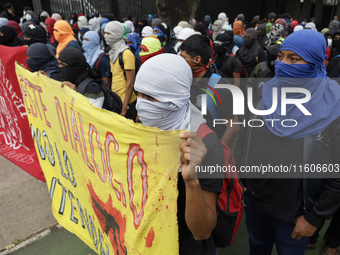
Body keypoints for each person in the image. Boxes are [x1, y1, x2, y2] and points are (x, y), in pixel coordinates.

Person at [234, 29, 340, 255]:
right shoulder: (267, 91)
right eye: (281, 56)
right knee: (257, 248)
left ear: (315, 62)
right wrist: (243, 183)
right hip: (255, 202)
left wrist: (314, 217)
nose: (283, 64)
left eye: (294, 59)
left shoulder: (333, 108)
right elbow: (245, 137)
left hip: (295, 216)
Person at [134, 53, 223, 255]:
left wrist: (192, 182)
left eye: (151, 97)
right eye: (139, 94)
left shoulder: (205, 145)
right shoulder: (145, 125)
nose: (141, 105)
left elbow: (202, 231)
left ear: (174, 97)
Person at [180, 34, 239, 146]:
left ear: (197, 60)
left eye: (183, 57)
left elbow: (233, 128)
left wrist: (218, 154)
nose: (180, 61)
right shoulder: (185, 80)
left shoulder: (219, 88)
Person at [104, 21, 137, 120]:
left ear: (117, 34)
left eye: (109, 33)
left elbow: (130, 82)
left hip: (127, 103)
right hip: (117, 101)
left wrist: (124, 107)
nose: (106, 36)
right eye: (105, 33)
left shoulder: (126, 53)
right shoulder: (113, 53)